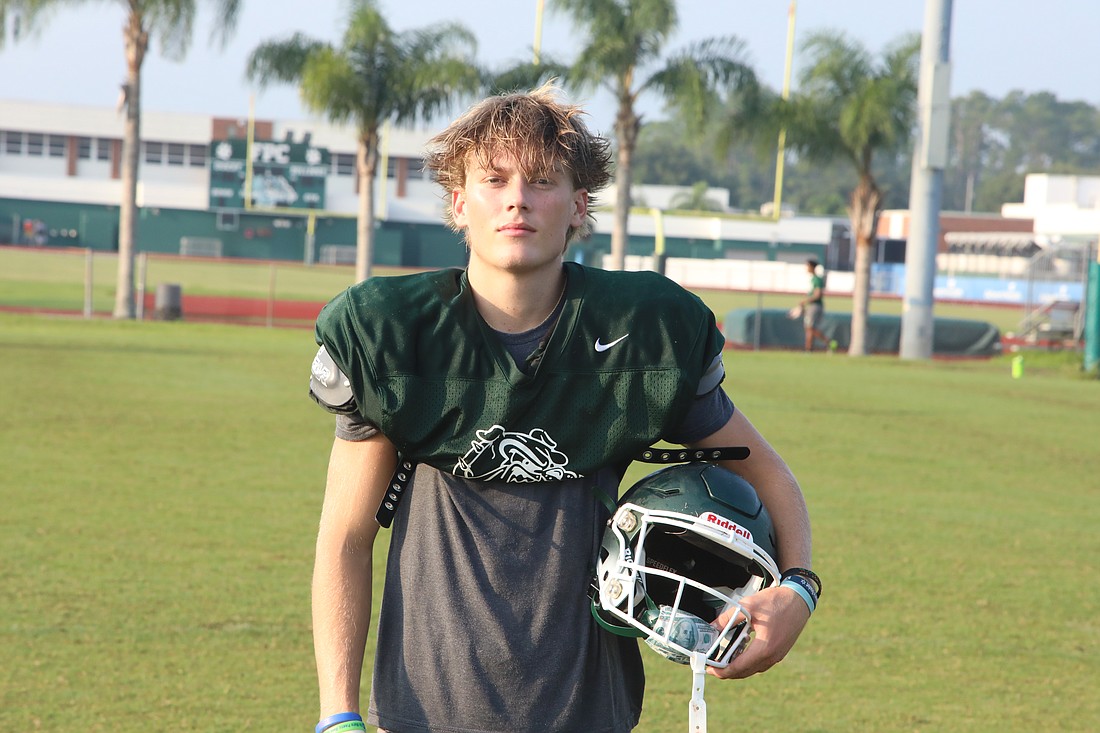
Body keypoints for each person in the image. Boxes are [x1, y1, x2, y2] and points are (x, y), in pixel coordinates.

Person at [306, 83, 815, 733]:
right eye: (494, 179)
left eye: (542, 180)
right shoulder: (397, 338)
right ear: (459, 203)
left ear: (579, 205)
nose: (517, 196)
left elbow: (766, 473)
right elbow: (345, 536)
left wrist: (798, 588)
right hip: (424, 712)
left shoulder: (641, 337)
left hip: (588, 707)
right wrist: (337, 713)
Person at [798, 258, 828, 351]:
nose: (806, 268)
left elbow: (817, 295)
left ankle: (828, 342)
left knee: (810, 327)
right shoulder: (813, 279)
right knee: (808, 327)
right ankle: (808, 348)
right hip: (812, 306)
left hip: (815, 306)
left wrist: (805, 301)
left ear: (812, 267)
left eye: (807, 266)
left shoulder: (817, 280)